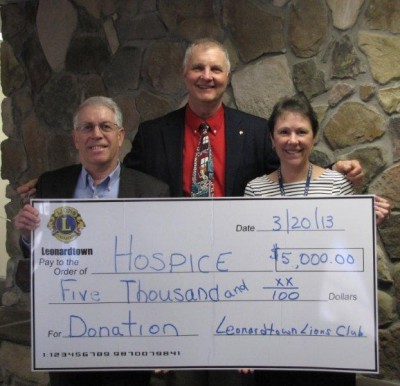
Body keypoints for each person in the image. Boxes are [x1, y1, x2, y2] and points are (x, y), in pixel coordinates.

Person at [17, 39, 364, 386]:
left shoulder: (256, 130)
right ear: (184, 75)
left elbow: (290, 173)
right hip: (174, 279)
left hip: (235, 278)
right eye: (198, 68)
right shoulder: (155, 134)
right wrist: (52, 191)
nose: (207, 76)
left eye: (215, 69)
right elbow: (120, 183)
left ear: (227, 76)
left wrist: (334, 175)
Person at [14, 96, 170, 386]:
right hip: (67, 330)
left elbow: (161, 271)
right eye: (86, 127)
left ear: (120, 136)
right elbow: (40, 253)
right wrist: (27, 236)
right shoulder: (51, 184)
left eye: (105, 126)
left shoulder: (152, 191)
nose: (96, 135)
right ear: (75, 138)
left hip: (128, 333)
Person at [244, 94, 390, 386]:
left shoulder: (337, 184)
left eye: (301, 132)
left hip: (329, 321)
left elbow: (351, 256)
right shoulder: (255, 190)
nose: (292, 140)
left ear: (314, 137)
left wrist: (367, 221)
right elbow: (251, 264)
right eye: (284, 132)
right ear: (272, 139)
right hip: (276, 323)